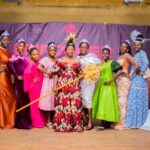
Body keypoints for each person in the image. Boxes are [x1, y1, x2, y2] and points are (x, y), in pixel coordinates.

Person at [52, 38, 84, 132]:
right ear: (65, 50)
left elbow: (81, 74)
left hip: (74, 85)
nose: (70, 50)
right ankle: (64, 124)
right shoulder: (60, 60)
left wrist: (81, 76)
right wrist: (55, 86)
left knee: (75, 103)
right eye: (68, 49)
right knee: (64, 104)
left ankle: (75, 125)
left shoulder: (78, 61)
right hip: (62, 86)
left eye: (72, 49)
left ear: (74, 50)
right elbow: (56, 74)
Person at [111, 41, 139, 130]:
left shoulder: (127, 55)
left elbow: (136, 65)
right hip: (118, 80)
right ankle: (117, 120)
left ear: (127, 48)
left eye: (124, 47)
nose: (123, 48)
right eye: (121, 46)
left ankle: (122, 123)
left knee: (122, 101)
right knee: (119, 100)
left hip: (124, 80)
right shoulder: (120, 56)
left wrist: (130, 74)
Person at [92, 46, 120, 130]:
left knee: (107, 103)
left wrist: (111, 80)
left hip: (108, 85)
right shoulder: (101, 64)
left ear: (109, 54)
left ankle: (106, 123)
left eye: (106, 53)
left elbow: (120, 71)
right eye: (103, 53)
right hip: (101, 85)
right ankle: (103, 122)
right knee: (101, 103)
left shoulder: (112, 62)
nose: (104, 55)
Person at [125, 35, 149, 128]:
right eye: (135, 45)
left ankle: (137, 122)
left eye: (138, 45)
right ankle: (133, 121)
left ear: (142, 45)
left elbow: (146, 63)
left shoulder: (142, 53)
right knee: (134, 100)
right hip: (135, 79)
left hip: (139, 80)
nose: (136, 46)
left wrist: (141, 71)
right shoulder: (136, 54)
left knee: (136, 100)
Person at [8, 38, 32, 129]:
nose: (22, 47)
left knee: (26, 101)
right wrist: (17, 75)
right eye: (20, 45)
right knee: (20, 101)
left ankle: (26, 121)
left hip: (24, 82)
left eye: (23, 46)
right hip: (18, 83)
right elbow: (9, 65)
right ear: (17, 46)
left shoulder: (22, 57)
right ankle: (20, 123)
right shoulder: (14, 56)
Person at [78, 39, 101, 130]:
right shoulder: (77, 57)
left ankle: (91, 122)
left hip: (89, 82)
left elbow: (98, 67)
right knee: (82, 101)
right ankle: (85, 119)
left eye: (85, 47)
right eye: (82, 47)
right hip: (80, 81)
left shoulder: (93, 56)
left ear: (88, 48)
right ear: (79, 48)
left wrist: (92, 74)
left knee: (88, 100)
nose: (83, 48)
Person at [24, 45, 46, 128]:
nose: (36, 56)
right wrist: (33, 82)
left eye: (37, 54)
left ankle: (40, 120)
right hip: (33, 87)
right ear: (30, 55)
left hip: (39, 86)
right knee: (35, 104)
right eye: (34, 54)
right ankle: (36, 122)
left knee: (39, 103)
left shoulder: (37, 63)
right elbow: (26, 76)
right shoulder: (30, 64)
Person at [37, 42, 57, 128]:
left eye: (54, 50)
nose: (52, 52)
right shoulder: (45, 59)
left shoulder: (57, 60)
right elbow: (39, 67)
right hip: (47, 82)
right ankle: (48, 121)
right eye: (51, 50)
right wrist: (47, 72)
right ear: (48, 51)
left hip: (54, 82)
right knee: (48, 101)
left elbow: (57, 72)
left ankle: (53, 120)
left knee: (53, 101)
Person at [0, 30, 17, 129]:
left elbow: (9, 65)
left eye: (8, 40)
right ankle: (3, 122)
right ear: (0, 40)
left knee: (12, 98)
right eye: (5, 40)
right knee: (4, 97)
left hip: (7, 76)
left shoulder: (8, 52)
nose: (7, 42)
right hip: (1, 77)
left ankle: (8, 121)